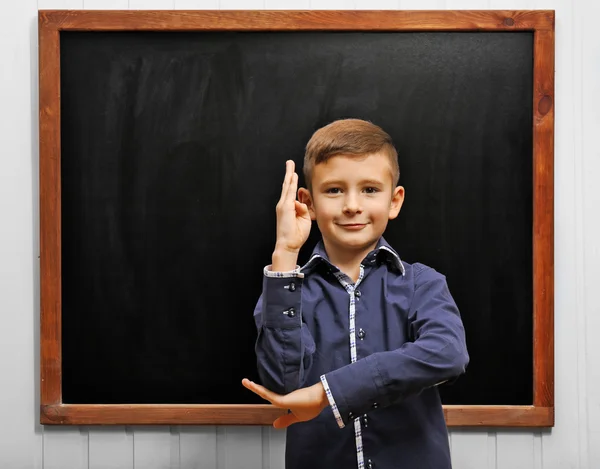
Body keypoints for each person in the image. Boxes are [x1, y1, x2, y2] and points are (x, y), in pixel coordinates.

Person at [242, 118, 469, 469]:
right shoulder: (287, 288)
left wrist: (328, 393)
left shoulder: (422, 283)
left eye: (369, 190)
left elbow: (447, 353)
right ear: (308, 202)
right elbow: (283, 383)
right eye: (334, 190)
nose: (351, 205)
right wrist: (284, 254)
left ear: (394, 201)